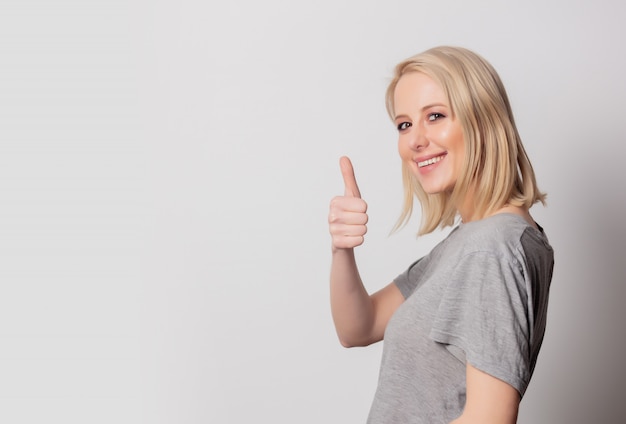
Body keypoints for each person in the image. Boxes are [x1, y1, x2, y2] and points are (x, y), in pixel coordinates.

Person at [328, 46, 554, 423]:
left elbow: (490, 418)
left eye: (435, 116)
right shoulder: (471, 240)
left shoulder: (492, 249)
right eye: (404, 124)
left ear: (483, 119)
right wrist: (341, 249)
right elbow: (358, 326)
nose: (415, 140)